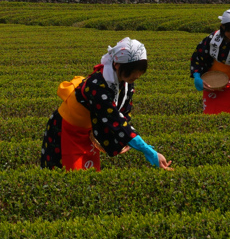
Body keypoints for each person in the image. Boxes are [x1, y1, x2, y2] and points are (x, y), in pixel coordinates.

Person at [41, 37, 172, 172]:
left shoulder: (127, 83)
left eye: (140, 70)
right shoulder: (97, 85)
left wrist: (129, 140)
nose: (137, 75)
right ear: (117, 65)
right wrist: (146, 150)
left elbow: (124, 114)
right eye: (133, 70)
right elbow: (114, 119)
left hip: (87, 132)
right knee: (66, 172)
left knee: (89, 172)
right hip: (66, 130)